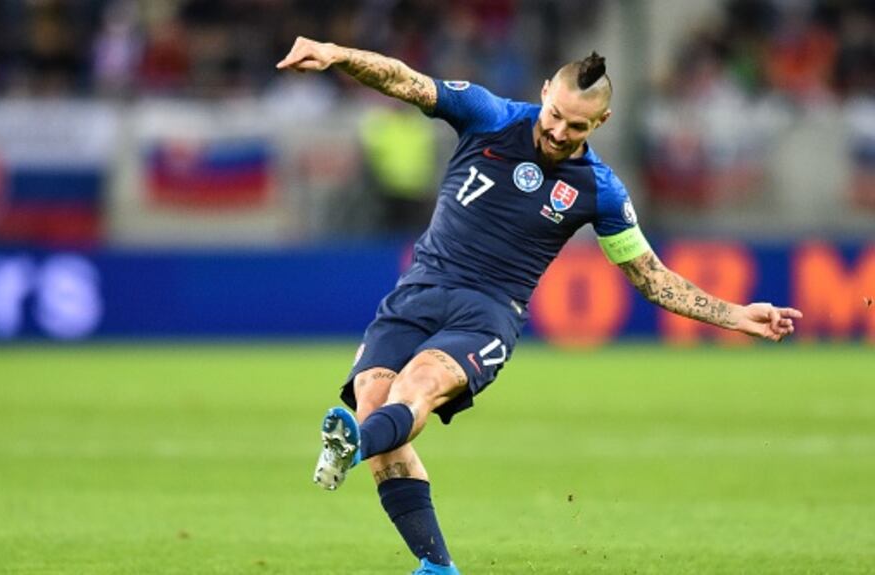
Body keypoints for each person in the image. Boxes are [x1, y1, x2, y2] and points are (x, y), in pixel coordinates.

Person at [276, 36, 803, 575]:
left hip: (486, 315)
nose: (558, 132)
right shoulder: (488, 116)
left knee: (417, 392)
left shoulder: (601, 190)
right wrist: (339, 55)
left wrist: (735, 315)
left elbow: (651, 278)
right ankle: (436, 565)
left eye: (576, 126)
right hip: (418, 291)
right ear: (545, 91)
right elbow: (404, 79)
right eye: (555, 116)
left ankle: (353, 446)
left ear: (601, 123)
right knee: (372, 401)